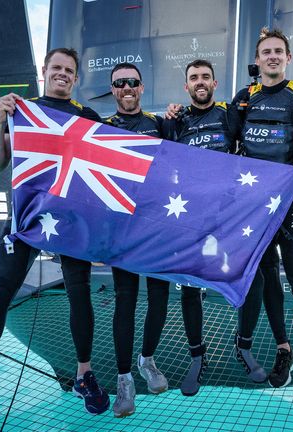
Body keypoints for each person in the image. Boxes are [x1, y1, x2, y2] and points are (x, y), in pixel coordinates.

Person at [0, 48, 109, 432]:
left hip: (71, 223)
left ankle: (83, 374)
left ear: (76, 78)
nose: (62, 74)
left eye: (69, 70)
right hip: (27, 219)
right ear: (44, 72)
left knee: (79, 292)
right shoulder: (22, 112)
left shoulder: (87, 117)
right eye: (56, 68)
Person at [230, 27, 293, 389]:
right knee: (268, 276)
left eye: (278, 51)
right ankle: (284, 349)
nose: (272, 56)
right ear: (257, 60)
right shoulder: (244, 98)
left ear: (288, 58)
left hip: (290, 201)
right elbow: (227, 143)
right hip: (255, 206)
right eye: (266, 52)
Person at [161, 58, 240, 396]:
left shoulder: (228, 114)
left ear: (214, 82)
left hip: (229, 215)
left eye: (206, 76)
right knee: (190, 288)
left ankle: (244, 344)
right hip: (190, 216)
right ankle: (197, 356)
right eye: (194, 78)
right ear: (186, 86)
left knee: (246, 277)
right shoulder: (176, 121)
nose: (200, 82)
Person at [103, 62, 170, 418]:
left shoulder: (159, 124)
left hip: (157, 225)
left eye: (132, 82)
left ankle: (147, 360)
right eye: (119, 84)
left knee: (159, 297)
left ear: (141, 87)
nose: (126, 88)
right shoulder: (102, 127)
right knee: (125, 303)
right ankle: (124, 379)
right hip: (123, 230)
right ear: (113, 90)